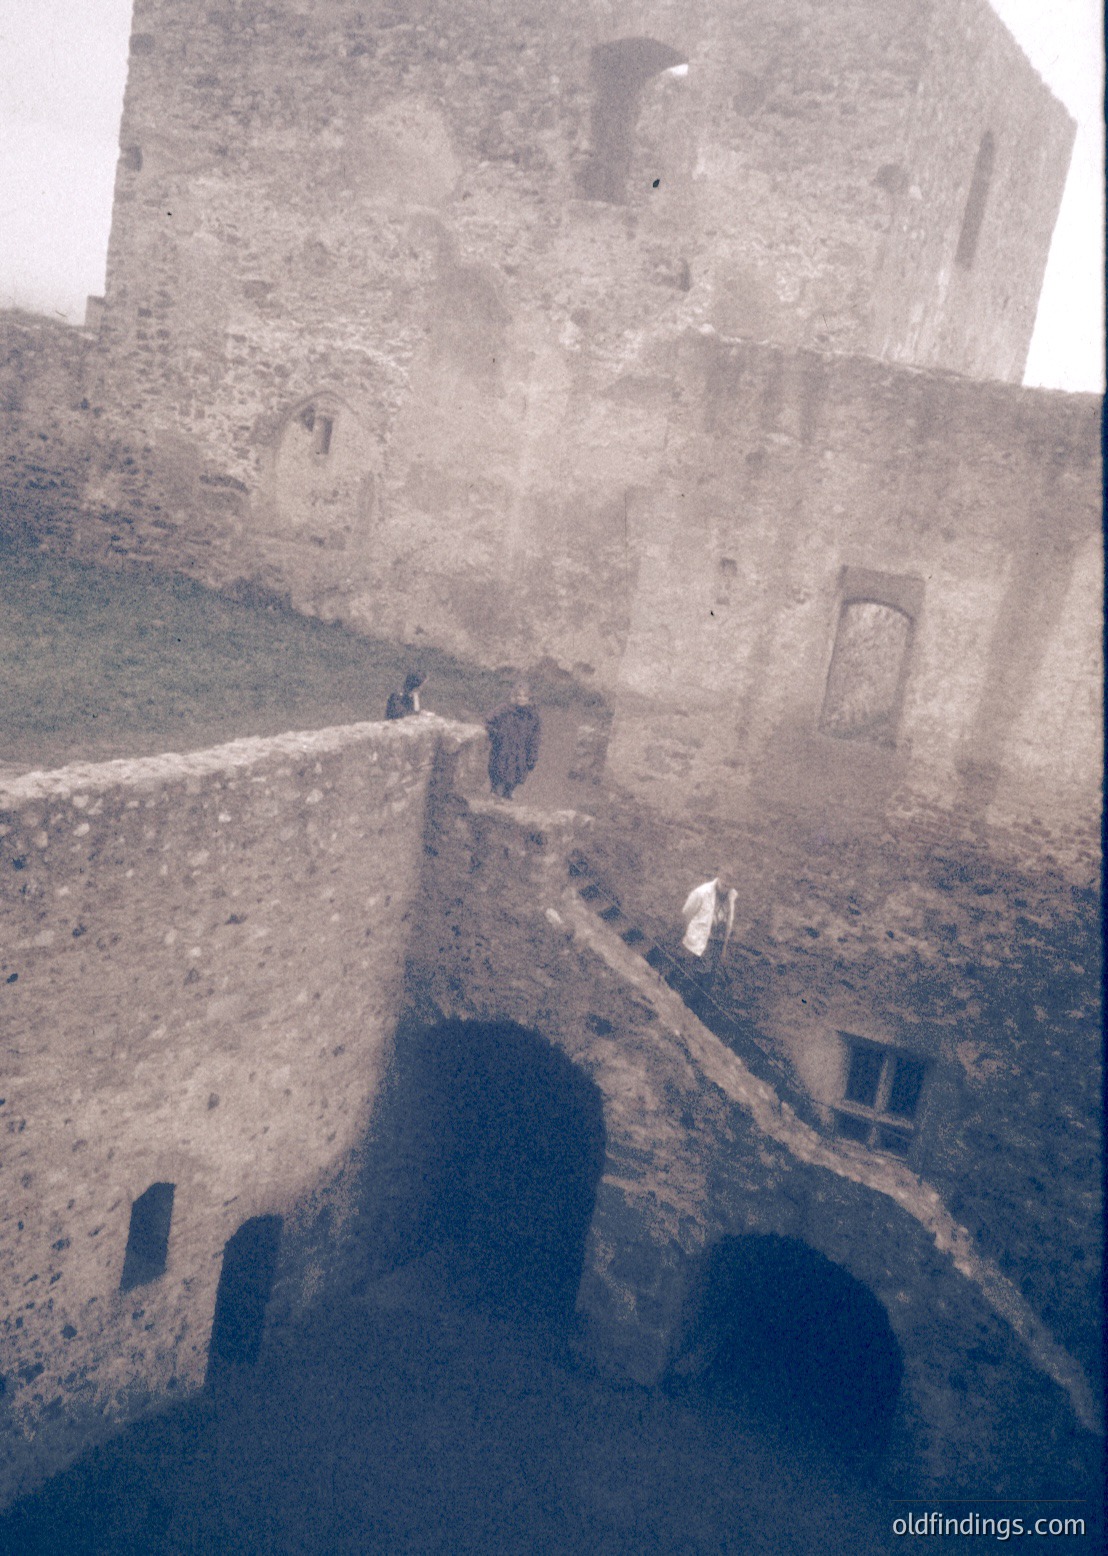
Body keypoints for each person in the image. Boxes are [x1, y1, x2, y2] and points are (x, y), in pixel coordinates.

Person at [485, 681, 542, 799]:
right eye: (519, 695)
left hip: (520, 751)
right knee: (498, 771)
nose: (521, 699)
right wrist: (496, 735)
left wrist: (532, 756)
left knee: (516, 774)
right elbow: (488, 721)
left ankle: (508, 794)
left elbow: (534, 738)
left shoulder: (532, 716)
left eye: (525, 696)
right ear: (514, 696)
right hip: (502, 748)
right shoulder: (504, 709)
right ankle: (494, 793)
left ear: (529, 698)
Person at [681, 875, 738, 990]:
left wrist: (724, 945)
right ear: (719, 878)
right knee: (698, 971)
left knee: (711, 975)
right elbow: (687, 912)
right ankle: (684, 999)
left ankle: (699, 1002)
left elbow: (728, 920)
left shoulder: (732, 895)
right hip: (702, 939)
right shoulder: (702, 892)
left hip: (718, 942)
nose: (725, 889)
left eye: (728, 886)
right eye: (723, 885)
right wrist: (691, 932)